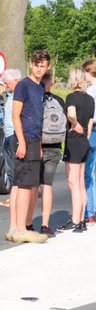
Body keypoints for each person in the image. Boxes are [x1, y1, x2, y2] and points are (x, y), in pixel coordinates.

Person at [6, 50, 49, 243]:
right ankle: (21, 229)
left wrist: (38, 143)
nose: (39, 69)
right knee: (25, 185)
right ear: (31, 64)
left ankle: (14, 228)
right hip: (25, 139)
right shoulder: (23, 85)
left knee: (19, 184)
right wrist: (22, 142)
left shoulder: (40, 87)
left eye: (43, 66)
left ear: (47, 67)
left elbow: (38, 117)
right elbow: (16, 115)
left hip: (33, 139)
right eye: (37, 65)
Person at [62, 67, 94, 233]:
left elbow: (71, 113)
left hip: (74, 141)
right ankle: (82, 220)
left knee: (73, 182)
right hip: (84, 142)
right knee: (81, 182)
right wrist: (86, 135)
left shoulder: (71, 97)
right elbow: (90, 121)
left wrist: (75, 125)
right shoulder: (90, 99)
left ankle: (75, 219)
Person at [34, 69, 66, 236]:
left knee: (32, 187)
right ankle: (45, 225)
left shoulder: (36, 100)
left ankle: (27, 223)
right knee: (47, 186)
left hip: (37, 146)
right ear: (51, 82)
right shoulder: (59, 101)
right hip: (54, 147)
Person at [0, 68, 23, 208]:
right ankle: (14, 196)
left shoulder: (21, 95)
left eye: (7, 83)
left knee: (14, 168)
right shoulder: (11, 94)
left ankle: (17, 198)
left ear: (16, 81)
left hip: (14, 135)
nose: (6, 86)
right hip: (8, 135)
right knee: (10, 168)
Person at [84, 59, 96, 223]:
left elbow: (90, 117)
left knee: (89, 172)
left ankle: (89, 211)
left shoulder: (90, 91)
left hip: (93, 129)